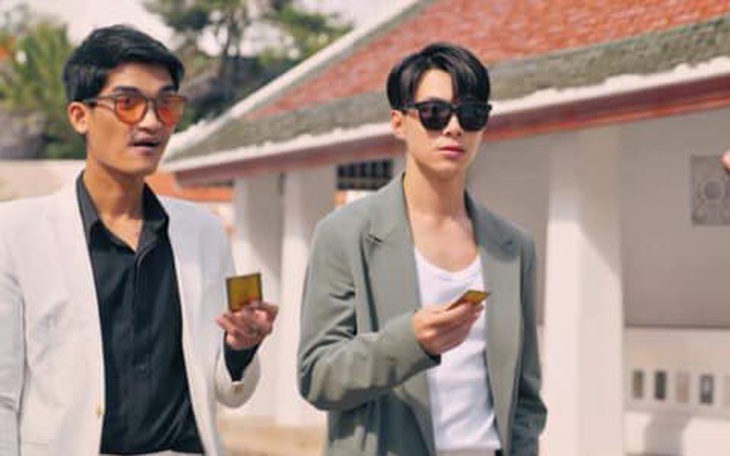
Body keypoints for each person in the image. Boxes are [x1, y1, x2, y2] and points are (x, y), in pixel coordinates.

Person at [0, 25, 277, 455]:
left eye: (166, 104)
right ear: (80, 116)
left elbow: (227, 389)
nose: (151, 122)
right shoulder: (16, 235)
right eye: (127, 103)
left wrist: (240, 348)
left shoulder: (203, 233)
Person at [298, 43, 546, 456]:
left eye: (471, 114)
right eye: (434, 113)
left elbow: (525, 395)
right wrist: (409, 342)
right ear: (399, 122)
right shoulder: (344, 234)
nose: (454, 128)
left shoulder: (512, 247)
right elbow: (318, 377)